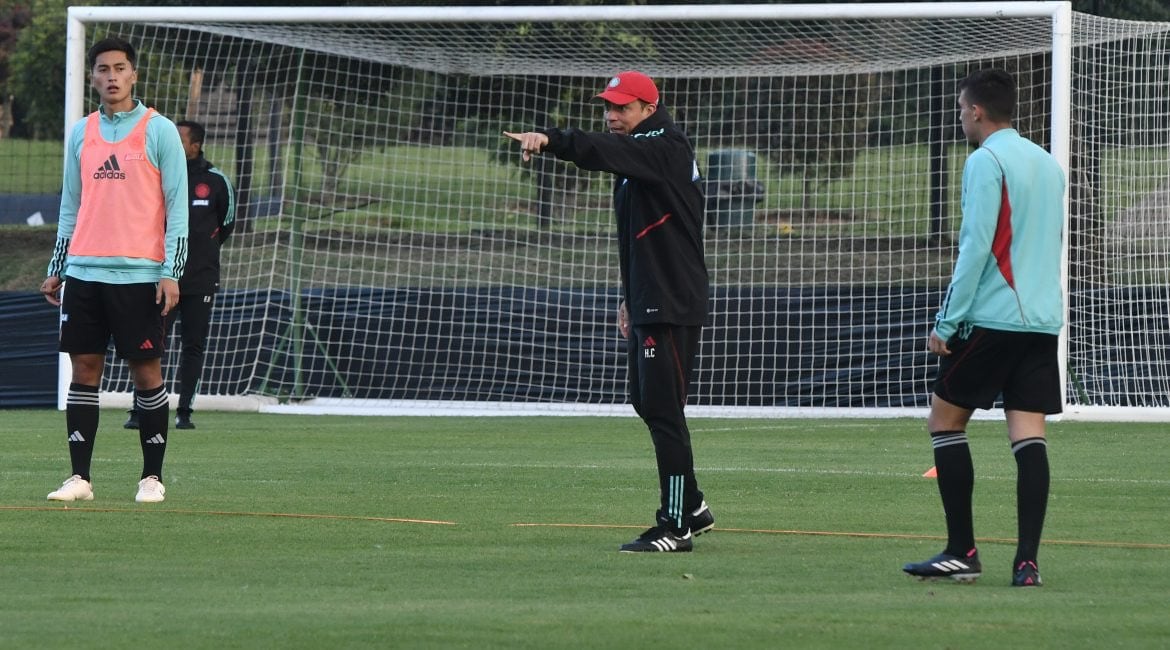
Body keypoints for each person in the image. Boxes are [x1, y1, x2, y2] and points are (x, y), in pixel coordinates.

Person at [505, 71, 714, 552]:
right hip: (650, 296)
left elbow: (601, 151)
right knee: (645, 401)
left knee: (664, 412)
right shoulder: (642, 149)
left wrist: (551, 140)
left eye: (622, 107)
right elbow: (642, 237)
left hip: (672, 302)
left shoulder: (662, 144)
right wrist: (631, 294)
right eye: (609, 106)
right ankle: (695, 504)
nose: (611, 114)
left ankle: (676, 523)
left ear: (647, 108)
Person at [902, 69, 1065, 587]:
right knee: (1028, 436)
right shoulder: (1047, 163)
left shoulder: (984, 161)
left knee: (945, 423)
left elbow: (975, 247)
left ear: (975, 111)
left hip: (993, 318)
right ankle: (1028, 564)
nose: (959, 118)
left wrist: (946, 322)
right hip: (1041, 320)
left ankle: (962, 552)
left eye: (960, 110)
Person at [40, 37, 188, 504]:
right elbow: (70, 205)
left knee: (146, 373)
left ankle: (152, 478)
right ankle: (80, 479)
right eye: (102, 69)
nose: (111, 77)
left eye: (120, 68)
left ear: (134, 75)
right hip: (84, 272)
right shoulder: (82, 132)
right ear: (94, 77)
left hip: (141, 276)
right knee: (83, 370)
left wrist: (171, 271)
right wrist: (57, 266)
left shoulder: (159, 130)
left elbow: (177, 208)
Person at [124, 120, 235, 431]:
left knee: (193, 344)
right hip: (161, 274)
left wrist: (200, 253)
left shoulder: (216, 181)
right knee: (151, 343)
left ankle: (184, 411)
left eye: (179, 138)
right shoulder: (157, 175)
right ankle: (139, 408)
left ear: (195, 145)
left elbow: (226, 224)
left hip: (200, 278)